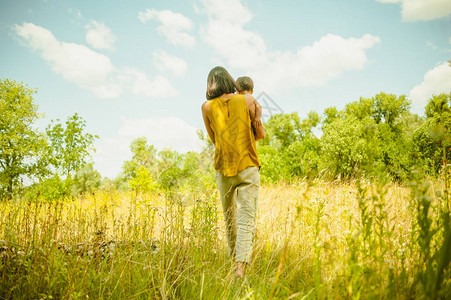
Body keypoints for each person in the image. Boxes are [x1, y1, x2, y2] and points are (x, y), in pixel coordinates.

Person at [201, 66, 265, 278]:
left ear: (210, 85)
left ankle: (232, 264)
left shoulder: (207, 107)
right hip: (247, 164)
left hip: (223, 167)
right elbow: (258, 134)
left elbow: (214, 140)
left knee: (230, 218)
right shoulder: (247, 101)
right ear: (229, 80)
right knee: (247, 218)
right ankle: (241, 267)